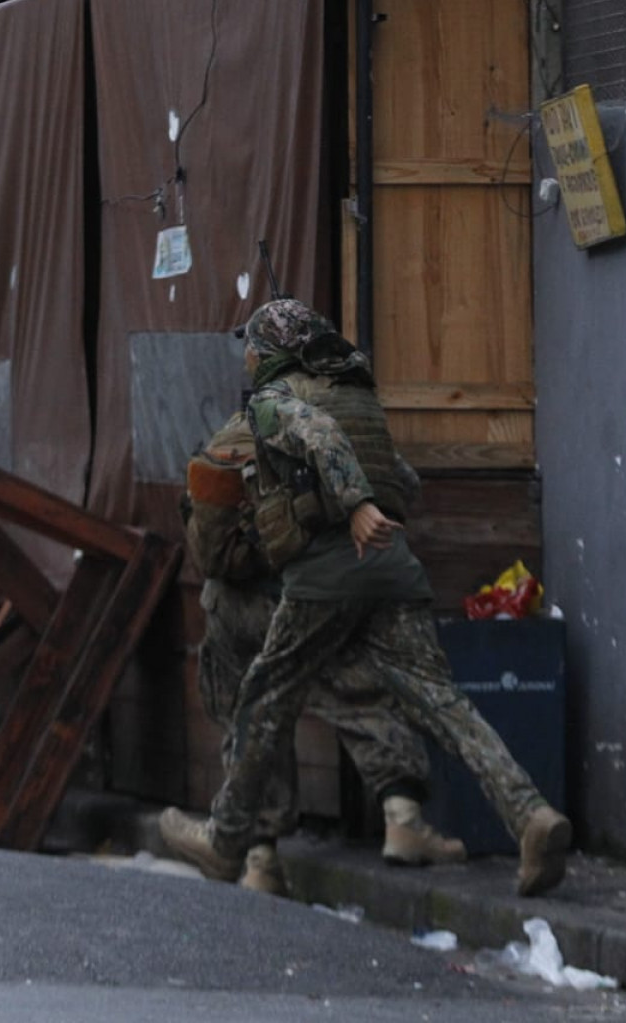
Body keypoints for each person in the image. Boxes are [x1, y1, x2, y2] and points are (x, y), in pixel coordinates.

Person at [162, 299, 572, 898]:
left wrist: (351, 506)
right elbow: (404, 482)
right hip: (395, 573)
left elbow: (316, 437)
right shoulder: (358, 398)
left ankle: (228, 843)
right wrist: (367, 506)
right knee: (445, 705)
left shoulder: (275, 404)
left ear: (270, 354)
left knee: (261, 700)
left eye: (251, 347)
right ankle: (531, 816)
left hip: (327, 577)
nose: (246, 358)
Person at [184, 411, 467, 895]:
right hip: (305, 595)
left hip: (230, 604)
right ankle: (402, 820)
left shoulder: (236, 425)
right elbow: (400, 487)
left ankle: (261, 858)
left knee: (253, 719)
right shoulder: (336, 420)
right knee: (357, 691)